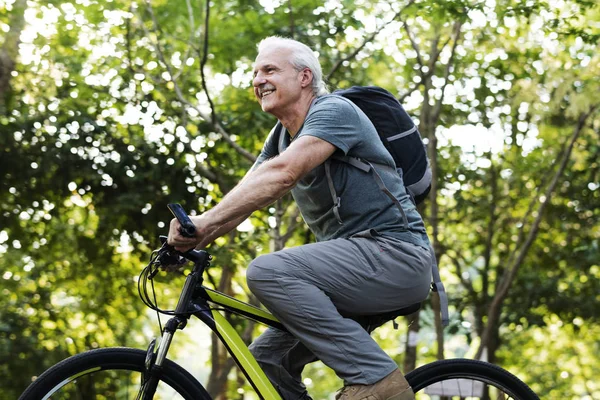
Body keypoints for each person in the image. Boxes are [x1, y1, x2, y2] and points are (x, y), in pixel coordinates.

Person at [167, 36, 432, 400]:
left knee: (268, 271)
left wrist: (203, 223)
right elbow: (249, 195)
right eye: (255, 72)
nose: (258, 79)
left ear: (305, 77)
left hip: (395, 255)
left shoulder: (334, 111)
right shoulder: (280, 139)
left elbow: (283, 174)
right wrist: (191, 238)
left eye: (270, 70)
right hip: (357, 271)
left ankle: (377, 381)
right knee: (264, 360)